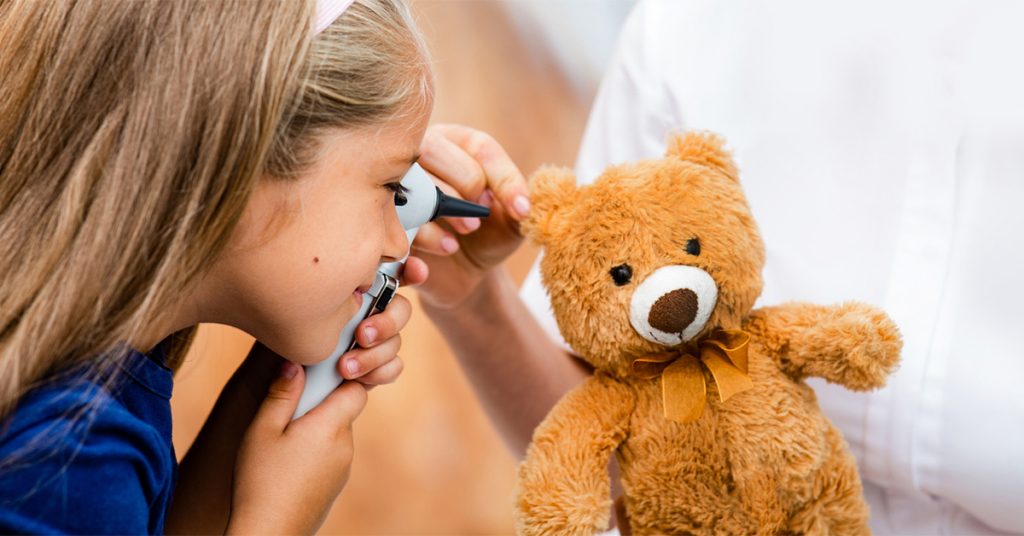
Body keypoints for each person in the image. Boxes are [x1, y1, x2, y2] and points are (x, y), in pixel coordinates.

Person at [0, 1, 533, 533]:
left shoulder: (98, 384)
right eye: (391, 188)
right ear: (245, 152)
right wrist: (277, 522)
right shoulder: (65, 459)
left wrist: (284, 375)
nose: (398, 244)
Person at [511, 0, 1024, 534]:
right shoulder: (685, 28)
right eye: (625, 276)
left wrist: (849, 342)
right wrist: (470, 297)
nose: (670, 291)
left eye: (690, 250)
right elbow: (567, 424)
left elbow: (830, 340)